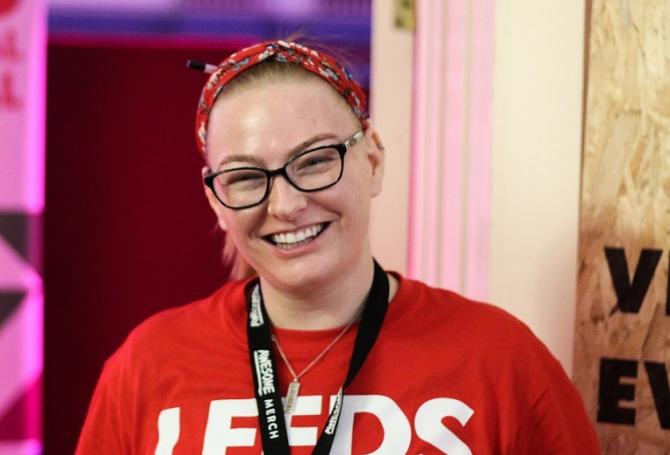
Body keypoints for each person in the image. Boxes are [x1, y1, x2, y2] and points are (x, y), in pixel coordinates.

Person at [75, 40, 600, 454]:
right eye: (245, 176)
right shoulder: (149, 364)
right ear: (216, 201)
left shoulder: (499, 362)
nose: (285, 204)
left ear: (372, 160)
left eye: (315, 161)